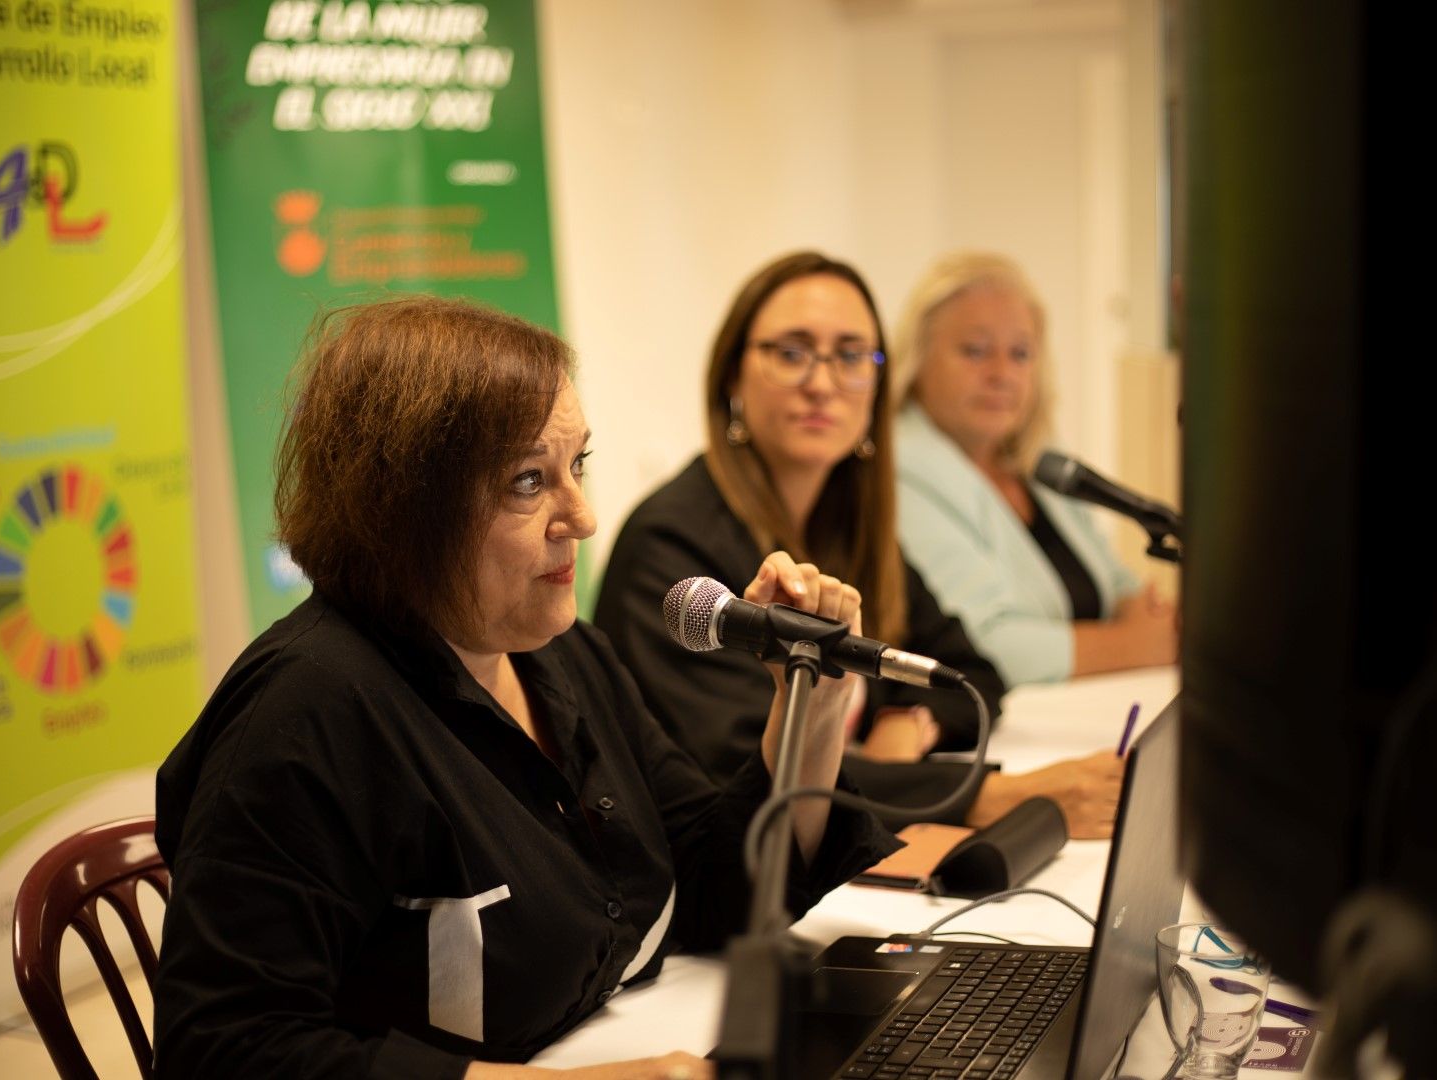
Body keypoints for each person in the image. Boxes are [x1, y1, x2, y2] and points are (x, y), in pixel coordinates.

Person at [152, 296, 899, 1078]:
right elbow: (225, 1052)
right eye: (526, 481)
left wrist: (811, 693)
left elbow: (723, 891)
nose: (582, 516)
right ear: (405, 505)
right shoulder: (305, 712)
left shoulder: (563, 654)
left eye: (577, 466)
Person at [595, 251, 1123, 838]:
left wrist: (910, 718)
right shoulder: (669, 545)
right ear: (732, 379)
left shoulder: (846, 527)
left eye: (850, 356)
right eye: (792, 353)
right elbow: (759, 775)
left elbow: (973, 673)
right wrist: (997, 796)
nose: (822, 384)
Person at [889, 251, 1177, 687]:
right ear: (917, 361)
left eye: (1021, 353)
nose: (1002, 373)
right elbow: (985, 644)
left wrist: (1141, 621)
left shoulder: (1040, 468)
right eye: (975, 350)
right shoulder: (900, 471)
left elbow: (1120, 587)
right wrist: (1137, 646)